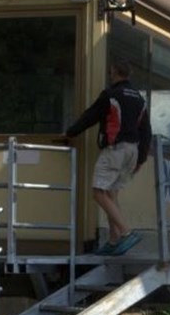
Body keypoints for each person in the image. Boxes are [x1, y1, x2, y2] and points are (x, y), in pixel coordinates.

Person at [64, 60, 152, 255]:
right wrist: (141, 158)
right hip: (132, 151)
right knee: (111, 194)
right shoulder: (140, 99)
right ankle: (113, 241)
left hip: (115, 150)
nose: (109, 76)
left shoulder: (111, 95)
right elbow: (146, 130)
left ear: (115, 73)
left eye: (110, 72)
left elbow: (90, 116)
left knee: (98, 192)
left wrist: (70, 133)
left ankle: (126, 232)